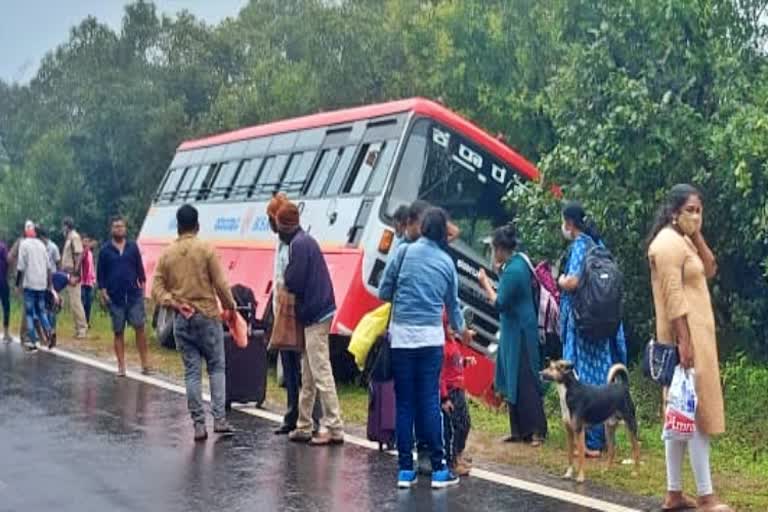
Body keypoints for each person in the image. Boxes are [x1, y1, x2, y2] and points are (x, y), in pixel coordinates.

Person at [647, 185, 732, 512]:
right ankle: (706, 496)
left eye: (699, 210)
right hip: (686, 342)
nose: (696, 216)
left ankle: (674, 493)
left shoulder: (683, 242)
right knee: (694, 415)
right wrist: (684, 342)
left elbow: (710, 268)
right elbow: (673, 297)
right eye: (690, 211)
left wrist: (696, 237)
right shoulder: (667, 245)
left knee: (679, 414)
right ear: (674, 213)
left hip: (698, 341)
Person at [379, 207, 473, 490]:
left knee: (405, 402)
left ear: (421, 228)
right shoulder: (446, 262)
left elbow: (384, 291)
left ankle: (405, 471)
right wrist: (461, 330)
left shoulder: (403, 253)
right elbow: (454, 311)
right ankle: (439, 470)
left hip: (403, 339)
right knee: (430, 401)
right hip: (432, 341)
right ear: (443, 232)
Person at [152, 205, 237, 441]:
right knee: (217, 367)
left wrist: (174, 303)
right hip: (208, 316)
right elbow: (220, 284)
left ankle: (199, 425)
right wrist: (231, 307)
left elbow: (156, 288)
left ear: (178, 226)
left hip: (182, 318)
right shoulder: (206, 250)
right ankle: (219, 420)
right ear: (197, 226)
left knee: (192, 372)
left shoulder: (167, 254)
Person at [557, 201, 627, 457]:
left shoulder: (579, 246)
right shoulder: (600, 246)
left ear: (570, 222)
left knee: (580, 380)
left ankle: (589, 442)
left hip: (582, 324)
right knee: (602, 376)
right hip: (603, 324)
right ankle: (605, 437)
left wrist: (561, 280)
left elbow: (574, 281)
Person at [277, 201, 345, 447]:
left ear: (283, 225)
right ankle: (304, 425)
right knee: (308, 372)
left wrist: (284, 281)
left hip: (315, 314)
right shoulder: (306, 240)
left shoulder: (298, 245)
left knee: (320, 371)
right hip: (319, 311)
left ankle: (335, 427)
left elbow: (293, 280)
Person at [478, 224, 548, 446]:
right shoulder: (516, 263)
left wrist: (485, 283)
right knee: (511, 379)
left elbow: (499, 302)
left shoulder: (515, 270)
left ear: (500, 249)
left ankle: (536, 430)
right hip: (513, 329)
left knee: (525, 380)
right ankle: (518, 430)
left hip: (520, 332)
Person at [266, 193, 321, 436]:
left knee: (309, 366)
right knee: (289, 365)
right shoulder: (281, 242)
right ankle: (292, 413)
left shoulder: (296, 243)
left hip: (297, 309)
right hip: (283, 307)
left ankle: (309, 416)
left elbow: (292, 278)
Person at [98, 216, 152, 377]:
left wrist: (143, 290)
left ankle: (145, 364)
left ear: (125, 229)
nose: (119, 229)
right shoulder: (105, 250)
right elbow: (101, 275)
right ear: (111, 229)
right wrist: (103, 292)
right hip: (115, 297)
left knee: (140, 328)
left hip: (134, 295)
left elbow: (141, 271)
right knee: (118, 331)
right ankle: (121, 367)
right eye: (116, 226)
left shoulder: (132, 247)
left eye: (121, 226)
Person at [440, 314, 476, 476]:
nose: (454, 330)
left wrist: (466, 361)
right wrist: (444, 397)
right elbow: (439, 375)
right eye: (450, 326)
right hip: (451, 391)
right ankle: (453, 461)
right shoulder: (442, 347)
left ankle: (459, 454)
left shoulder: (453, 343)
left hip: (459, 390)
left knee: (465, 424)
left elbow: (456, 362)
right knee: (454, 428)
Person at [16, 223, 53, 351]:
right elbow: (49, 267)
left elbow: (20, 266)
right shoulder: (42, 245)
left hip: (30, 284)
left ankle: (33, 342)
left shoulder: (24, 244)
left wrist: (17, 285)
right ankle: (49, 331)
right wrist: (49, 284)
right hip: (41, 284)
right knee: (42, 311)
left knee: (30, 314)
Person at [61, 217, 88, 339]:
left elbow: (79, 254)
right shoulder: (68, 237)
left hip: (73, 273)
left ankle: (82, 328)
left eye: (64, 225)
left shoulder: (74, 237)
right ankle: (77, 328)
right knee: (72, 302)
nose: (63, 228)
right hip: (67, 272)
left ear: (67, 225)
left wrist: (76, 273)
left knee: (76, 302)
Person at [37, 226, 62, 348]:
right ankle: (48, 333)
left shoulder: (53, 247)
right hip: (41, 280)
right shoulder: (40, 247)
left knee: (50, 309)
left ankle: (51, 332)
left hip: (51, 280)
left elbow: (58, 264)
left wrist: (57, 283)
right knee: (45, 309)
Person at [81, 234, 96, 327]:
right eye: (84, 241)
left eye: (88, 241)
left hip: (89, 282)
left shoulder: (90, 253)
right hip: (81, 281)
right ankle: (82, 322)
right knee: (82, 302)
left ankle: (87, 321)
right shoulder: (81, 252)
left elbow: (91, 267)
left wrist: (94, 279)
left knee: (88, 303)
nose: (86, 243)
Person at [0, 233, 11, 342]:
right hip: (2, 281)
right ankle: (6, 333)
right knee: (6, 306)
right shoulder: (3, 247)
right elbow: (8, 261)